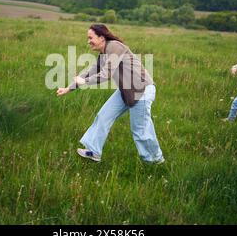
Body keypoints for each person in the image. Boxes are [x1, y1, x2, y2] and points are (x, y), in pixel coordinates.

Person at [57, 24, 164, 164]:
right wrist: (68, 88)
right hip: (125, 90)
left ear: (101, 37)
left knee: (140, 130)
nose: (88, 41)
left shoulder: (114, 47)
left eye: (91, 38)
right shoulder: (103, 54)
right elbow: (91, 71)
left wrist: (84, 81)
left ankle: (155, 161)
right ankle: (94, 151)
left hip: (142, 89)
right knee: (103, 116)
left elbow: (105, 75)